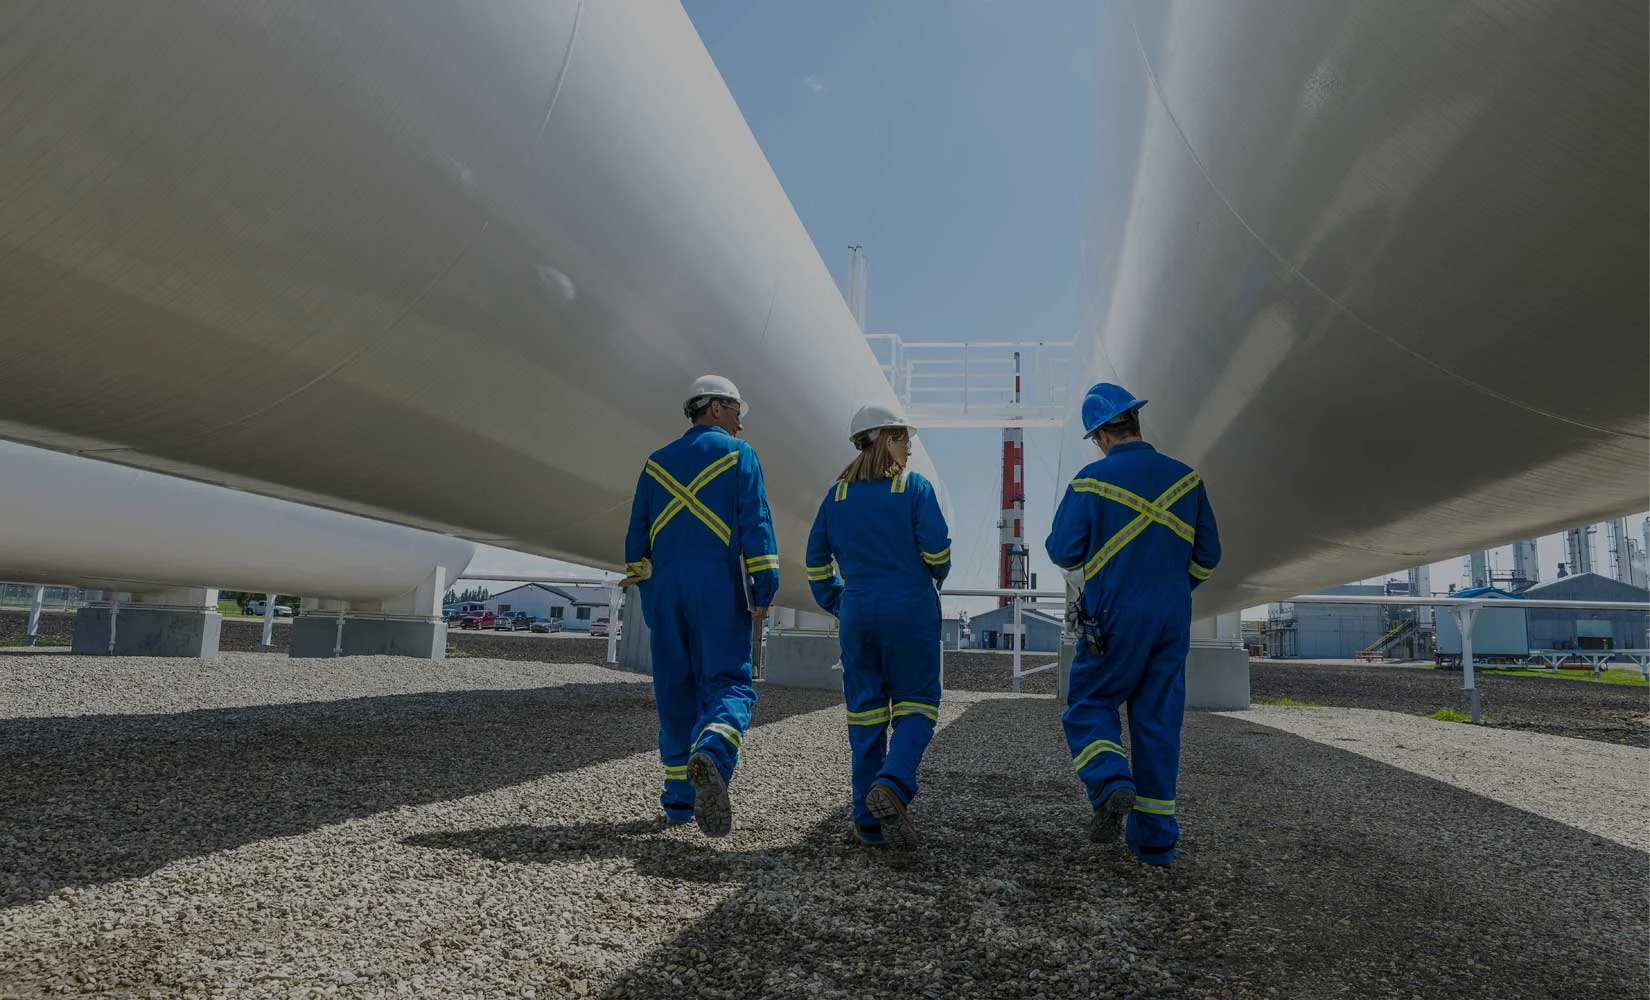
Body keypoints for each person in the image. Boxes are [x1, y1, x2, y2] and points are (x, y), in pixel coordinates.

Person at [1045, 382, 1220, 867]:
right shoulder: (1187, 479)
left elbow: (1062, 550)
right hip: (1170, 617)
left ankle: (1110, 780)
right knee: (1158, 721)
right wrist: (1171, 590)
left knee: (1089, 703)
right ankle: (1156, 845)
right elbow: (1210, 555)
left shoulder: (1090, 481)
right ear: (1135, 422)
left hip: (1113, 616)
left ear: (1101, 434)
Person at [622, 375, 780, 838]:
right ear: (713, 407)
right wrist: (764, 590)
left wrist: (650, 592)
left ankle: (677, 802)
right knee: (731, 684)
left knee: (674, 689)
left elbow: (636, 541)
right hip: (718, 586)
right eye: (735, 411)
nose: (739, 422)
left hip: (666, 590)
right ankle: (712, 749)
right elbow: (757, 526)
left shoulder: (656, 463)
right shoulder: (739, 456)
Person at [804, 402, 951, 849]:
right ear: (886, 438)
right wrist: (931, 578)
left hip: (858, 611)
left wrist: (840, 602)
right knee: (919, 705)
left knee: (865, 714)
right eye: (904, 437)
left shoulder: (837, 495)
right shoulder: (914, 488)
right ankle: (893, 781)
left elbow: (815, 563)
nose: (909, 446)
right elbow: (939, 552)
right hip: (909, 608)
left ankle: (866, 823)